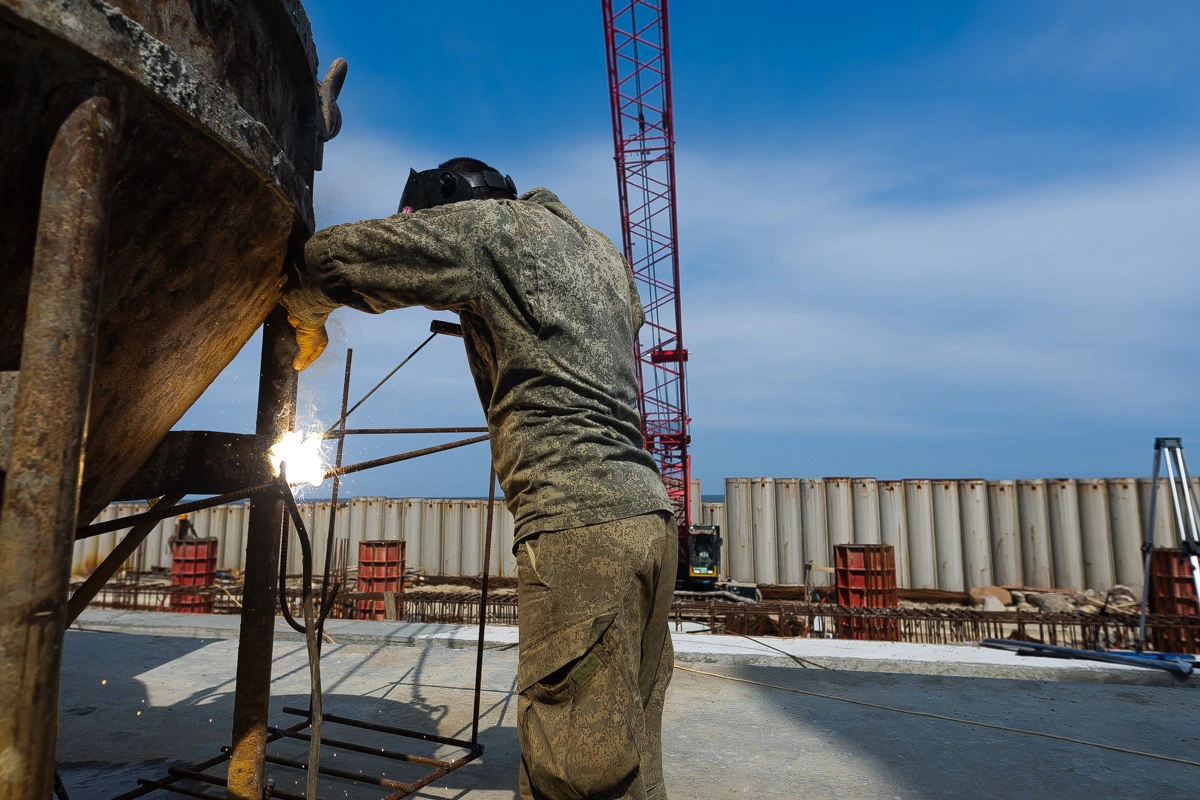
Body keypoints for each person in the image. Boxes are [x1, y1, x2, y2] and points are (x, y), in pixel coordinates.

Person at [283, 157, 676, 800]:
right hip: (648, 521)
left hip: (578, 527)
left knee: (575, 769)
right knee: (625, 756)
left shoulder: (492, 232)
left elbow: (332, 258)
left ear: (453, 206)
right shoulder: (599, 250)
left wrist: (306, 311)